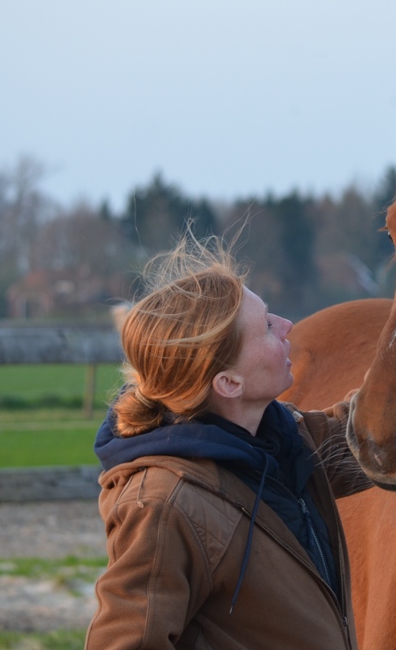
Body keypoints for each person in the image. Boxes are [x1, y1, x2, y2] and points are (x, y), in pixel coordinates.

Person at [85, 235, 370, 649]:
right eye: (268, 327)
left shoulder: (283, 443)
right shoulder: (163, 507)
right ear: (229, 383)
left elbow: (376, 434)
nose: (288, 326)